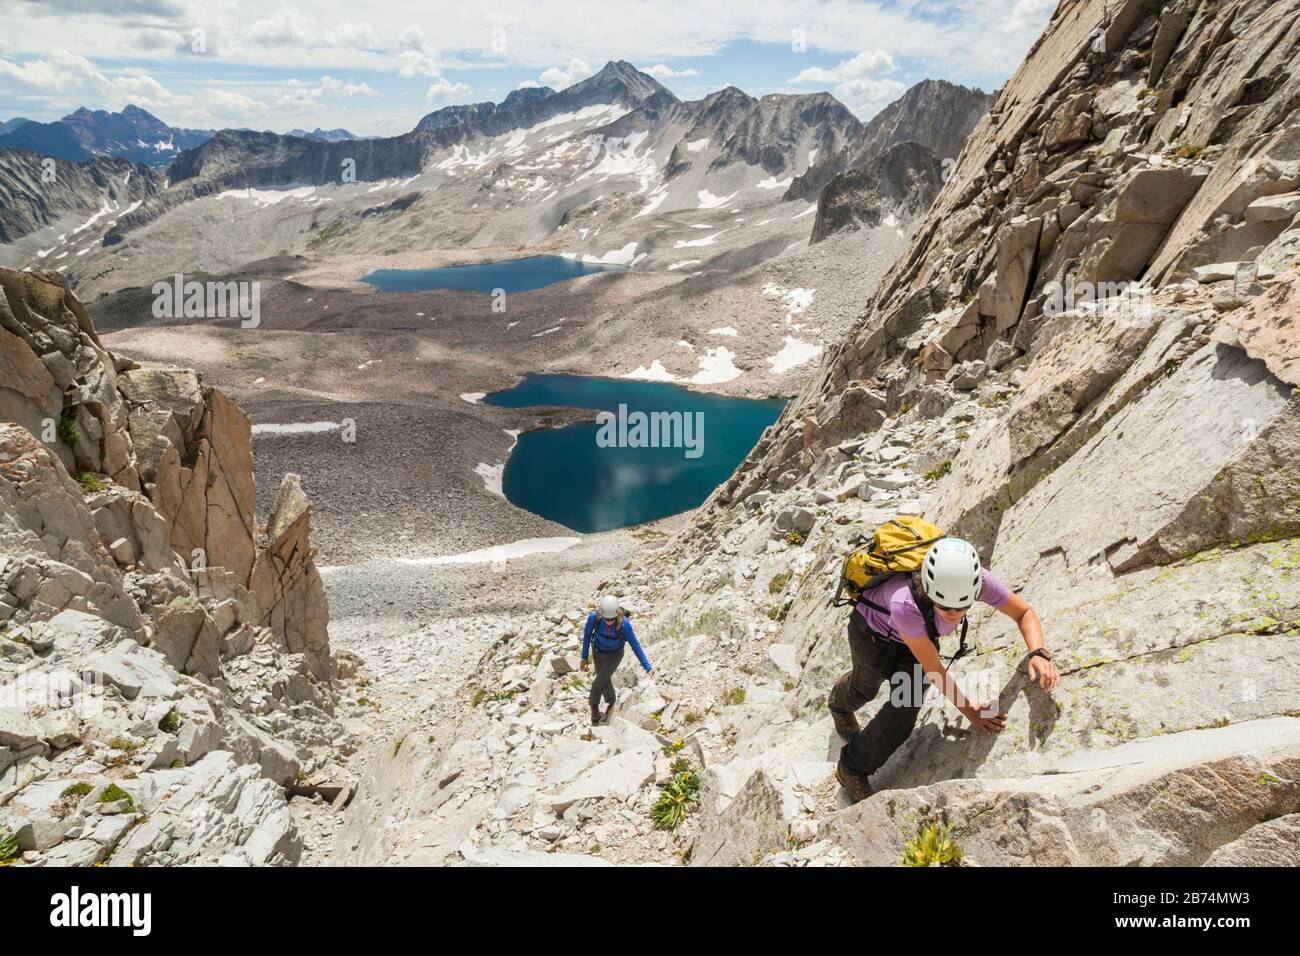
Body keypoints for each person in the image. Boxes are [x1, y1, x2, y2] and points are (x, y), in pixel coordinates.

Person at [829, 537, 1060, 803]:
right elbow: (934, 669)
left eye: (961, 607)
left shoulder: (980, 582)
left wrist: (1038, 653)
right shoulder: (905, 603)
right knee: (865, 687)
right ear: (928, 589)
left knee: (904, 711)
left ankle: (851, 768)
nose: (953, 614)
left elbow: (1024, 613)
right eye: (944, 607)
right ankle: (839, 703)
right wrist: (971, 711)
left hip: (915, 638)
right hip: (871, 633)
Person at [580, 595, 652, 725]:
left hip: (615, 655)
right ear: (601, 613)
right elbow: (586, 636)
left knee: (598, 683)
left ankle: (594, 707)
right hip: (597, 652)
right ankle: (612, 702)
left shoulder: (625, 625)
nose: (609, 621)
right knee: (604, 679)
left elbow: (635, 646)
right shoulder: (593, 618)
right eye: (606, 619)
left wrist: (648, 667)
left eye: (611, 619)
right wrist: (584, 657)